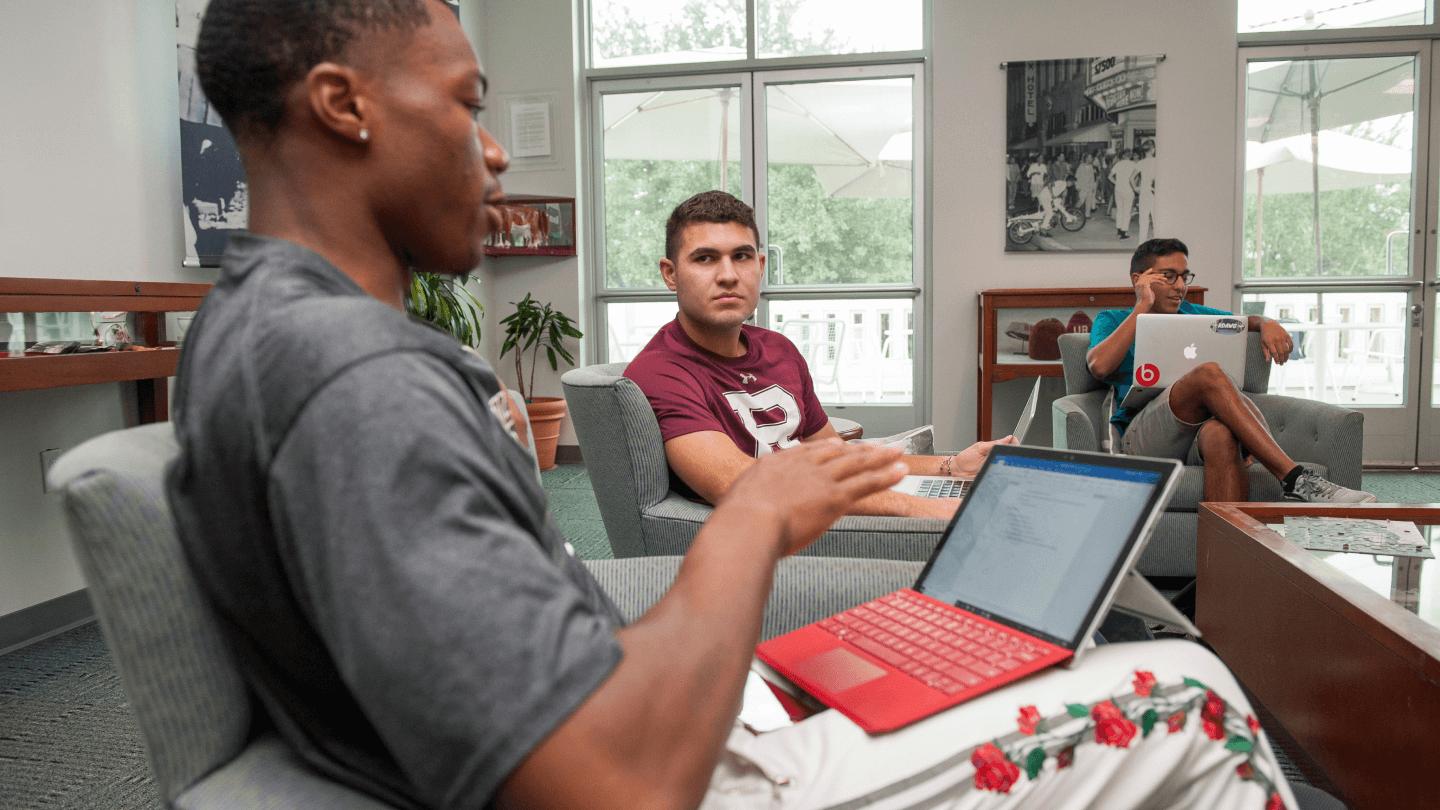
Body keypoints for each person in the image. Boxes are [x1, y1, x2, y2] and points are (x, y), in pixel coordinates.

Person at [169, 4, 1299, 808]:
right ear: (340, 104)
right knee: (1194, 690)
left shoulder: (262, 329)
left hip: (664, 690)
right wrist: (760, 516)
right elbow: (611, 784)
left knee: (1011, 643)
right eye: (468, 101)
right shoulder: (352, 380)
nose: (497, 144)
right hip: (684, 768)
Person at [625, 191, 1014, 521]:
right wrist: (923, 508)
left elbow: (835, 455)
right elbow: (742, 488)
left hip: (820, 507)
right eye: (705, 258)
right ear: (670, 273)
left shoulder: (778, 349)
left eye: (741, 256)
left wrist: (949, 466)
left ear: (760, 266)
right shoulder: (661, 371)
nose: (728, 275)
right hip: (774, 535)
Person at [1087, 238, 1376, 504]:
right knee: (1207, 374)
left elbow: (1240, 322)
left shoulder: (1193, 315)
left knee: (1221, 433)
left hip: (1194, 438)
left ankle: (1227, 553)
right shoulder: (1114, 319)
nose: (1179, 286)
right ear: (1140, 279)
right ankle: (1295, 479)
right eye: (1168, 275)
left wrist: (1265, 322)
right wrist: (1143, 306)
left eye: (1184, 276)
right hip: (1143, 438)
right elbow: (1099, 366)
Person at [1109, 149, 1139, 239]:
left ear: (1123, 156)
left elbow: (1109, 177)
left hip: (1118, 189)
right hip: (1128, 190)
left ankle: (1118, 229)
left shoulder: (1118, 164)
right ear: (1130, 156)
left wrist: (1116, 182)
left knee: (1120, 209)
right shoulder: (1134, 164)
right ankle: (1123, 233)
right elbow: (1135, 178)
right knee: (1127, 211)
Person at [1135, 142, 1157, 242]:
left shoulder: (1141, 163)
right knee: (1156, 220)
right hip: (1155, 194)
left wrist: (1136, 188)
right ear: (1153, 149)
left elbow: (1131, 178)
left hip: (1144, 193)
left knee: (1143, 220)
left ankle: (1141, 244)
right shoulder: (1158, 162)